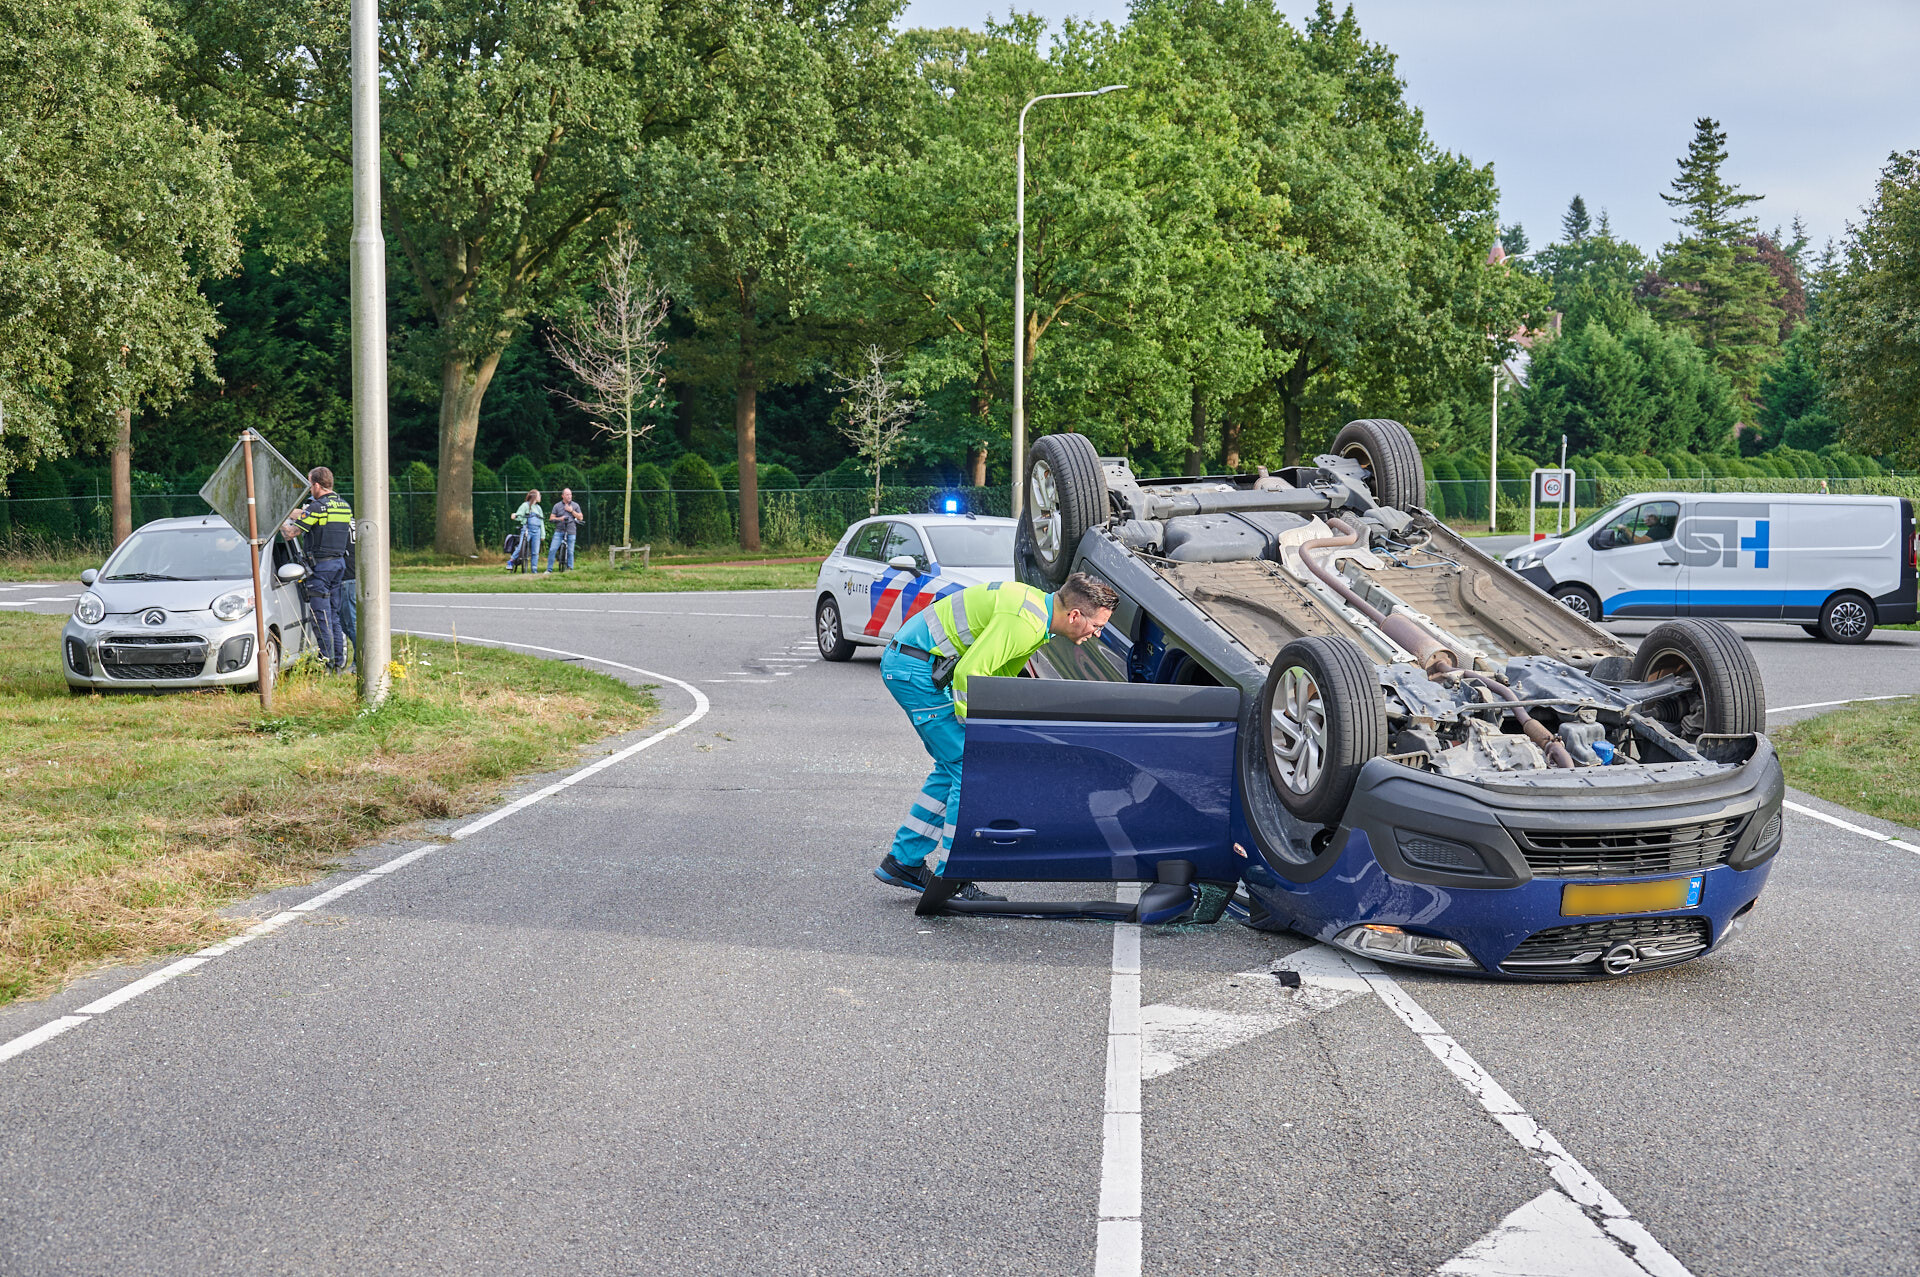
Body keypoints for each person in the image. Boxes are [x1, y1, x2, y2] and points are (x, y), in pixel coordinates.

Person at [874, 571, 1118, 899]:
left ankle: (904, 861)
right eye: (1097, 625)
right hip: (916, 671)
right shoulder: (1025, 621)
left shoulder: (1037, 616)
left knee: (953, 767)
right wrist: (977, 731)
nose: (1097, 633)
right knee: (970, 767)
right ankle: (954, 876)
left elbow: (997, 679)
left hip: (917, 665)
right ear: (1075, 615)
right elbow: (968, 675)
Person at [280, 466, 354, 671]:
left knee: (320, 617)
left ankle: (327, 663)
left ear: (317, 485)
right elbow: (310, 515)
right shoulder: (344, 506)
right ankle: (338, 661)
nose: (308, 488)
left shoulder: (317, 507)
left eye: (309, 484)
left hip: (320, 568)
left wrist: (278, 522)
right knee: (334, 616)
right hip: (339, 565)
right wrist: (292, 512)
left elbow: (291, 534)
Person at [546, 487, 583, 573]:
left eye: (570, 494)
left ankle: (570, 568)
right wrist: (560, 519)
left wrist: (572, 511)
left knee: (570, 551)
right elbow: (551, 518)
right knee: (552, 549)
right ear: (562, 496)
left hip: (571, 531)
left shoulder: (575, 505)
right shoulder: (557, 506)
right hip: (559, 531)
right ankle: (549, 569)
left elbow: (580, 517)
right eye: (567, 494)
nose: (569, 496)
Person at [507, 489, 543, 571]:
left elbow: (541, 522)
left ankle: (534, 569)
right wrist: (514, 515)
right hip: (527, 529)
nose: (540, 497)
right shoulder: (525, 506)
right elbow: (519, 516)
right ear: (534, 496)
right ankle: (511, 561)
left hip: (537, 531)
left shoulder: (538, 508)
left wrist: (542, 534)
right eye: (539, 495)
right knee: (520, 547)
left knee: (535, 552)